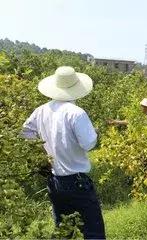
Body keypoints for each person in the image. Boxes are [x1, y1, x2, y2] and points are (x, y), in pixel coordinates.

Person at [21, 66, 105, 239]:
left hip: (55, 181)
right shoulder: (76, 113)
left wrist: (41, 155)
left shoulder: (41, 110)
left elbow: (26, 132)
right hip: (77, 182)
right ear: (76, 88)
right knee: (93, 233)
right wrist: (95, 132)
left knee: (63, 232)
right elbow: (89, 144)